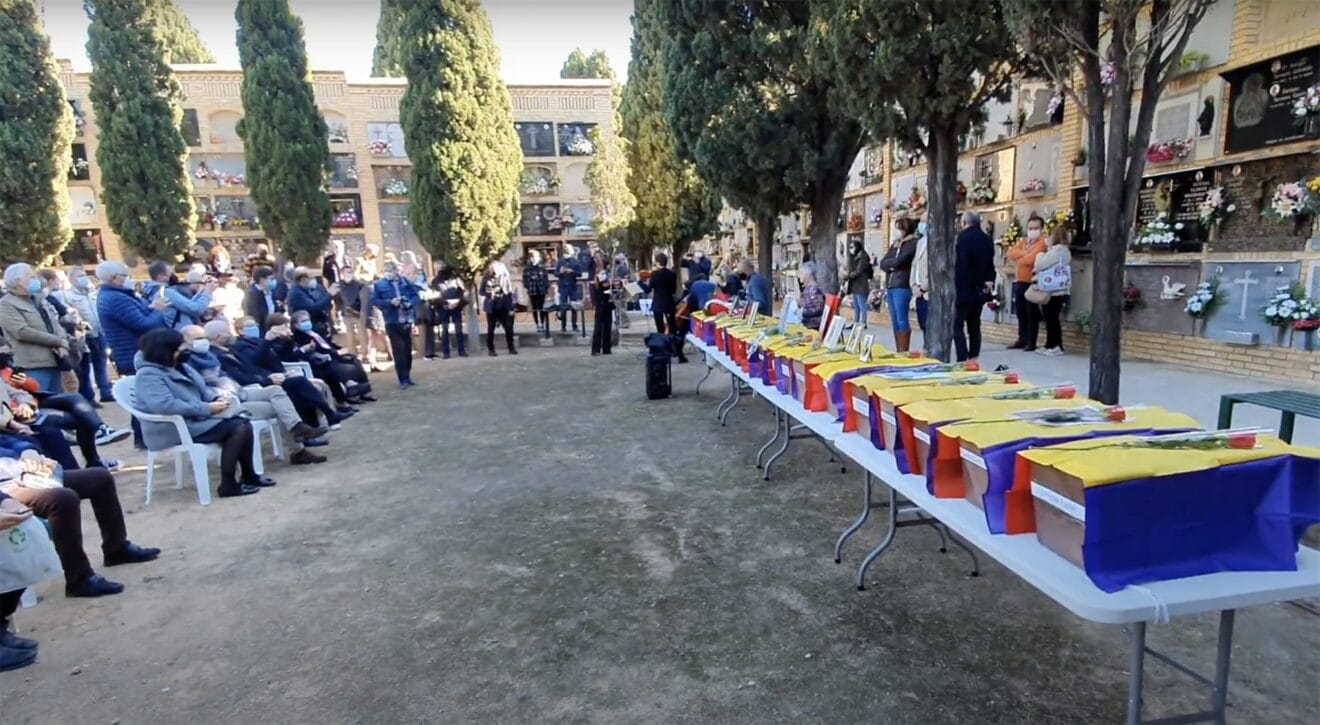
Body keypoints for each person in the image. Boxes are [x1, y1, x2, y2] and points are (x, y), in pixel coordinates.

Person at [134, 328, 274, 498]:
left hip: (193, 419)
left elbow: (201, 390)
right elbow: (165, 405)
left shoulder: (179, 366)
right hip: (172, 428)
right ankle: (228, 484)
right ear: (166, 350)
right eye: (180, 347)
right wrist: (206, 408)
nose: (186, 349)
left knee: (243, 422)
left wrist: (218, 397)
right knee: (237, 428)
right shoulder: (148, 375)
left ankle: (249, 475)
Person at [1, 455, 160, 602]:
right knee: (62, 499)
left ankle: (116, 549)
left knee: (100, 477)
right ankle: (79, 579)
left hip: (20, 471)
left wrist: (27, 451)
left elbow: (17, 440)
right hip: (6, 486)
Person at [186, 323, 328, 464]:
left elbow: (247, 369)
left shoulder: (213, 356)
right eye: (198, 339)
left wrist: (270, 377)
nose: (204, 341)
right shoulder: (191, 362)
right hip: (225, 399)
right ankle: (298, 448)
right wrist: (264, 379)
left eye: (203, 337)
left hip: (239, 391)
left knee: (277, 393)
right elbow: (212, 385)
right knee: (283, 406)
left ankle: (298, 428)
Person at [95, 261, 170, 448]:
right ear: (114, 278)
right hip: (132, 353)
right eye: (125, 274)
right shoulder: (115, 298)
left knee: (141, 395)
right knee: (141, 397)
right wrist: (158, 311)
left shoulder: (119, 295)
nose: (129, 277)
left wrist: (151, 307)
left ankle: (144, 438)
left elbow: (139, 315)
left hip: (132, 351)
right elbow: (142, 324)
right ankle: (144, 438)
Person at [230, 316, 348, 426]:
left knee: (315, 381)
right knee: (301, 383)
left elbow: (282, 356)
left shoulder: (259, 341)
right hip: (268, 380)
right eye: (249, 326)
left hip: (281, 373)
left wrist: (287, 341)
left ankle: (324, 418)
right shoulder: (242, 346)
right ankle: (327, 416)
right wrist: (266, 342)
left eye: (254, 325)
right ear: (240, 331)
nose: (254, 328)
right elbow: (256, 361)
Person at [0, 264, 72, 393]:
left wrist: (63, 343)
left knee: (58, 405)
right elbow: (22, 332)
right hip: (32, 365)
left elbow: (54, 323)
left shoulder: (39, 299)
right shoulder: (6, 304)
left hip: (54, 360)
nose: (36, 281)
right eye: (31, 277)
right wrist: (58, 341)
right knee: (40, 404)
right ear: (17, 281)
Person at [287, 310, 374, 403]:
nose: (307, 323)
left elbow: (327, 343)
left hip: (331, 354)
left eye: (308, 320)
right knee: (346, 367)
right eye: (303, 321)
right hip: (321, 360)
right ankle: (351, 389)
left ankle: (362, 391)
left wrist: (337, 349)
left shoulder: (314, 332)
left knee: (355, 360)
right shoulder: (298, 337)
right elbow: (314, 351)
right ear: (295, 325)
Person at [63, 266, 114, 405]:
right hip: (83, 337)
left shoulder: (93, 292)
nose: (83, 278)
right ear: (71, 279)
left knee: (101, 364)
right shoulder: (67, 295)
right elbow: (69, 317)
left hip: (99, 333)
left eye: (84, 275)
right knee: (84, 368)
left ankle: (105, 392)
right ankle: (88, 397)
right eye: (79, 276)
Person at [953, 211, 997, 362]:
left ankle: (962, 357)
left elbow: (960, 264)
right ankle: (974, 357)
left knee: (957, 325)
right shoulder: (986, 239)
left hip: (963, 287)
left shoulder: (962, 238)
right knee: (974, 325)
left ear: (964, 223)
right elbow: (990, 265)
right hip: (980, 289)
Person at [371, 261, 421, 388]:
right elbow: (375, 301)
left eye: (390, 271)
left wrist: (409, 303)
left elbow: (416, 296)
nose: (388, 274)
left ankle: (407, 376)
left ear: (396, 271)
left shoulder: (405, 282)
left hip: (406, 320)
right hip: (391, 321)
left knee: (407, 351)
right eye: (385, 271)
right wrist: (389, 302)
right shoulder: (380, 285)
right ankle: (402, 379)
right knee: (398, 351)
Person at [878, 217, 919, 352]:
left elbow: (899, 262)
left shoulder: (913, 243)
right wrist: (892, 264)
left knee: (902, 319)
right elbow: (883, 263)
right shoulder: (895, 245)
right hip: (891, 285)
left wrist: (892, 264)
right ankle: (898, 349)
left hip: (902, 285)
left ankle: (904, 350)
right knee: (894, 319)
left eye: (899, 228)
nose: (897, 231)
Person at [1007, 214, 1047, 351]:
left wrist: (1021, 256)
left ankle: (1031, 341)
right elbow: (1011, 253)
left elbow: (1030, 260)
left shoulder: (1042, 243)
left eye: (1036, 228)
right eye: (1030, 228)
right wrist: (1024, 254)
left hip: (1032, 282)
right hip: (1020, 281)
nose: (1032, 230)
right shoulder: (1024, 241)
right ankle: (1022, 338)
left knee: (1032, 313)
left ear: (1042, 229)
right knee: (1020, 312)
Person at [1034, 225, 1073, 356]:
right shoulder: (1066, 251)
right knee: (1051, 318)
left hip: (1053, 290)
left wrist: (1040, 253)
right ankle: (1050, 344)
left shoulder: (1056, 251)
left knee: (1051, 318)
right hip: (1060, 289)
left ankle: (1056, 345)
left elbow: (1040, 265)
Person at [431, 262, 468, 359]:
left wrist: (457, 302)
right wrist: (445, 303)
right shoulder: (436, 281)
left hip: (456, 306)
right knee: (445, 330)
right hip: (443, 307)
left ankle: (461, 350)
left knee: (458, 329)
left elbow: (461, 291)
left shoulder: (455, 279)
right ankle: (446, 352)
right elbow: (435, 295)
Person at [286, 267, 336, 338]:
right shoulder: (296, 293)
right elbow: (313, 308)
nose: (314, 280)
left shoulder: (305, 290)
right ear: (303, 279)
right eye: (311, 278)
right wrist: (330, 294)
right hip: (305, 328)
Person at [481, 261, 517, 357]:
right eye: (492, 270)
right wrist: (489, 293)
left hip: (503, 306)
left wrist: (511, 308)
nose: (494, 272)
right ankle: (491, 349)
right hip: (492, 307)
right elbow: (481, 291)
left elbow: (509, 293)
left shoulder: (504, 277)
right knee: (491, 329)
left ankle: (511, 347)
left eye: (496, 269)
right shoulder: (486, 277)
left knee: (509, 328)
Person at [647, 253, 679, 335]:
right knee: (672, 327)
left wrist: (640, 282)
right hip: (669, 303)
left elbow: (648, 290)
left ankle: (662, 343)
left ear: (657, 263)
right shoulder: (672, 274)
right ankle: (672, 344)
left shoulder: (654, 275)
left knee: (660, 328)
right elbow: (673, 290)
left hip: (658, 304)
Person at [244, 266, 283, 333]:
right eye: (271, 279)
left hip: (272, 328)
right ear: (262, 279)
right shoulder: (252, 294)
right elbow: (255, 316)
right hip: (261, 330)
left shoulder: (270, 291)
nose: (274, 281)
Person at [843, 238, 873, 327]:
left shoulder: (863, 257)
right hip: (855, 284)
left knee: (861, 304)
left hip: (861, 284)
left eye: (852, 247)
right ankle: (856, 322)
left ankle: (863, 322)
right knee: (856, 305)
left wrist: (848, 276)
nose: (851, 249)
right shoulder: (855, 257)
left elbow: (859, 270)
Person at [555, 243, 583, 332]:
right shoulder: (560, 261)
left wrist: (572, 271)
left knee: (574, 306)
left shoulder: (575, 261)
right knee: (563, 306)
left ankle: (574, 325)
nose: (567, 251)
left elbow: (580, 273)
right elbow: (556, 273)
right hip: (563, 286)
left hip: (572, 286)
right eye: (566, 249)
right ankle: (563, 326)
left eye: (568, 249)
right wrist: (561, 272)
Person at [589, 258, 613, 356]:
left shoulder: (605, 274)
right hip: (601, 302)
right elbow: (604, 285)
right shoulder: (599, 275)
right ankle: (596, 349)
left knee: (608, 326)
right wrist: (611, 283)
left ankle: (606, 348)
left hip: (607, 302)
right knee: (599, 327)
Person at [523, 250, 550, 334]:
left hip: (541, 290)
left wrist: (546, 287)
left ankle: (542, 323)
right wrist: (528, 286)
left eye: (536, 257)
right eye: (533, 257)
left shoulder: (542, 268)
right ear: (530, 258)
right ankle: (537, 324)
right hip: (532, 290)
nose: (534, 259)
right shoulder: (527, 269)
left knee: (542, 308)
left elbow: (546, 279)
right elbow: (525, 281)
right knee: (535, 309)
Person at [911, 215, 930, 333]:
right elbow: (914, 265)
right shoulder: (921, 242)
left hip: (928, 293)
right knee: (923, 325)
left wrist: (923, 288)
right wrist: (913, 285)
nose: (921, 224)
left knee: (930, 327)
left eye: (923, 221)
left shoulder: (937, 242)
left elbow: (934, 269)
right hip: (917, 292)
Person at [798, 262, 827, 330]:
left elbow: (818, 309)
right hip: (806, 324)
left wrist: (802, 311)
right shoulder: (807, 289)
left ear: (808, 275)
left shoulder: (814, 290)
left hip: (813, 327)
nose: (799, 276)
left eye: (801, 273)